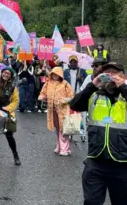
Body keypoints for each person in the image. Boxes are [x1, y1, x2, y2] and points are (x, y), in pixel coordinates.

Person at [70, 62, 127, 205]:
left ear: (124, 77)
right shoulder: (94, 96)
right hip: (96, 163)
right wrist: (93, 84)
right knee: (91, 202)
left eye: (115, 73)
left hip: (122, 165)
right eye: (107, 74)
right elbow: (74, 104)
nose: (111, 77)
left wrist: (123, 87)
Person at [0, 67, 21, 165]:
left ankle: (16, 156)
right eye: (4, 73)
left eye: (8, 74)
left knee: (9, 135)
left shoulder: (13, 87)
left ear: (11, 76)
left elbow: (15, 101)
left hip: (6, 112)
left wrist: (8, 108)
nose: (6, 75)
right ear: (1, 73)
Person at [38, 67, 74, 156]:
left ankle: (64, 149)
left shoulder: (65, 84)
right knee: (58, 129)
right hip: (52, 110)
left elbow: (72, 95)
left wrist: (66, 100)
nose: (55, 76)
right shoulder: (48, 83)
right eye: (54, 74)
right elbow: (43, 93)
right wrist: (42, 97)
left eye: (57, 74)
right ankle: (59, 146)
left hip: (63, 110)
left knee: (63, 129)